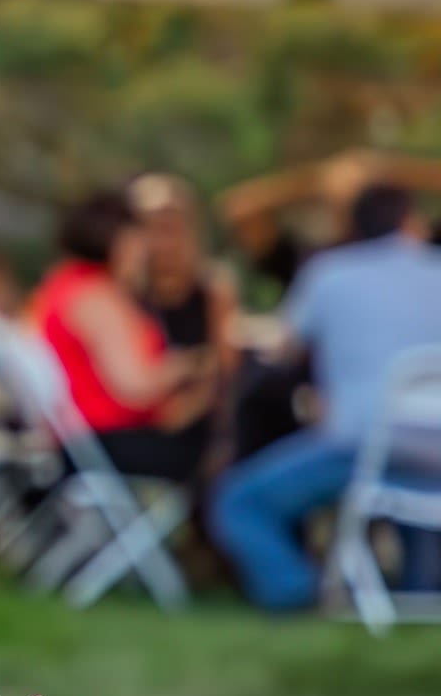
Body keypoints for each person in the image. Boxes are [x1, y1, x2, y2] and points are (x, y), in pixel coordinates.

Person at [210, 183, 441, 610]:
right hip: (432, 450)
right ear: (412, 221)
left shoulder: (329, 273)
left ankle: (296, 593)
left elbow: (281, 347)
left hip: (363, 446)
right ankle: (420, 590)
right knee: (408, 476)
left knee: (238, 502)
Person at [28, 190, 217, 485]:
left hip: (82, 444)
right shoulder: (97, 295)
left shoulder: (64, 284)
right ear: (121, 240)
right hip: (103, 444)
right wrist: (190, 365)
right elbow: (134, 385)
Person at [127, 173, 237, 376]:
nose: (163, 244)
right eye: (152, 229)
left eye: (171, 228)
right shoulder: (123, 296)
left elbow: (226, 367)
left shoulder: (213, 290)